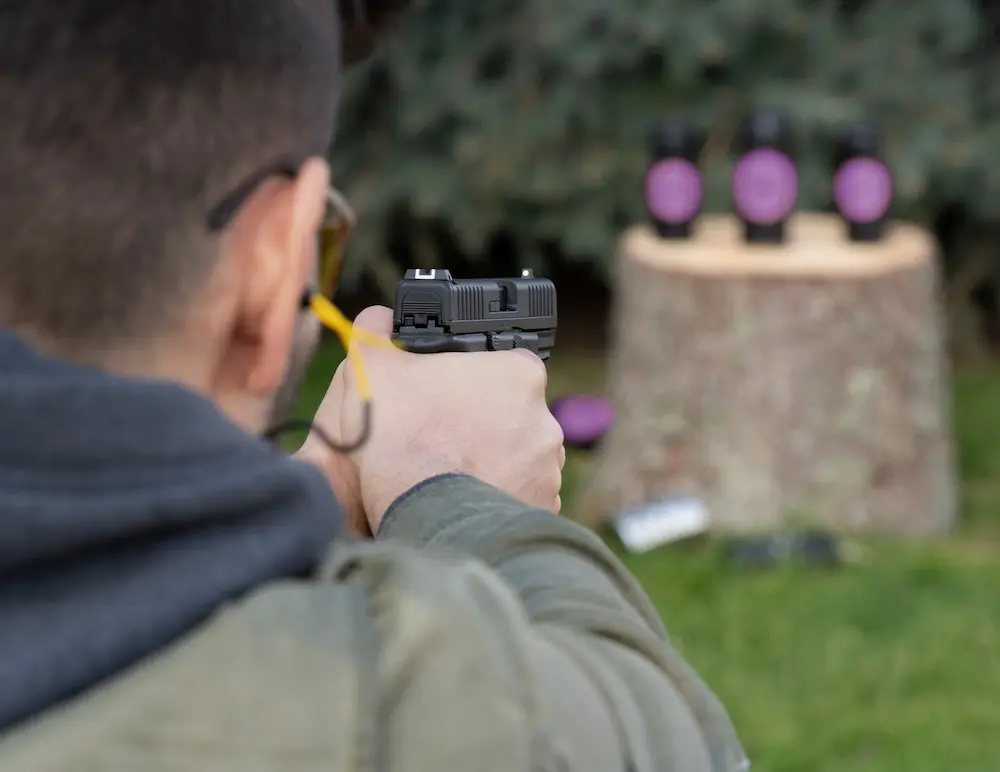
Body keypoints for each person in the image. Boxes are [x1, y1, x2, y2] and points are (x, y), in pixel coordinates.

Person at [0, 2, 747, 771]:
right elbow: (681, 746)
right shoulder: (391, 719)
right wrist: (460, 502)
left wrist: (291, 513)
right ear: (274, 257)